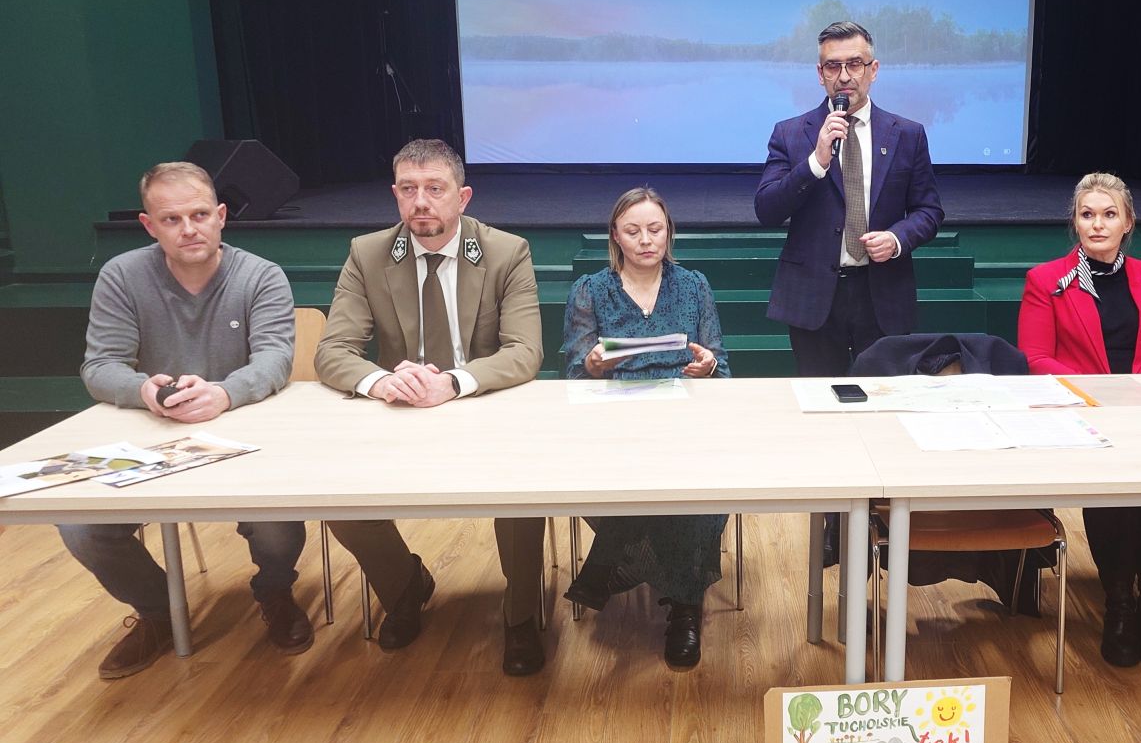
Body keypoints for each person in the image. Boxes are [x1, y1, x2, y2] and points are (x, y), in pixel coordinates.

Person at [63, 161, 310, 679]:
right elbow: (100, 365)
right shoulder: (122, 276)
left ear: (221, 216)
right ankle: (159, 611)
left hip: (244, 433)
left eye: (199, 215)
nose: (189, 229)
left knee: (278, 522)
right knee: (79, 524)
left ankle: (274, 592)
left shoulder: (260, 275)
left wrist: (223, 393)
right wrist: (145, 391)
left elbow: (274, 360)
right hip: (150, 437)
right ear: (149, 225)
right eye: (171, 219)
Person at [315, 139, 547, 676]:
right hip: (401, 411)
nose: (421, 201)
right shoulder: (368, 254)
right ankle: (404, 587)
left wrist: (454, 383)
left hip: (480, 405)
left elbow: (524, 351)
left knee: (524, 490)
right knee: (335, 495)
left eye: (435, 189)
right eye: (408, 189)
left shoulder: (506, 252)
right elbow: (332, 351)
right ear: (395, 194)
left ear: (462, 197)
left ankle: (520, 615)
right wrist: (380, 382)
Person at [1017, 173, 1141, 668]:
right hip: (1081, 414)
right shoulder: (1046, 279)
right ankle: (1118, 604)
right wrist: (1102, 396)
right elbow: (1035, 358)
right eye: (1087, 214)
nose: (1097, 224)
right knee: (1112, 489)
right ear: (1075, 222)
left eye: (1109, 214)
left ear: (1127, 222)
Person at [561, 188, 730, 668]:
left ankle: (664, 596)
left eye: (655, 229)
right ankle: (680, 594)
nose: (645, 240)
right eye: (632, 231)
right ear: (615, 236)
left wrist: (708, 367)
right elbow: (572, 374)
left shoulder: (693, 286)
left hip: (685, 419)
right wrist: (593, 364)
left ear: (668, 231)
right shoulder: (591, 290)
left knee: (693, 481)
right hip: (616, 424)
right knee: (645, 479)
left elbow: (722, 365)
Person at [755, 20, 944, 378]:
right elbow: (766, 209)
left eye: (854, 64)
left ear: (873, 70)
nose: (844, 76)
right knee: (819, 400)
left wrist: (897, 239)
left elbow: (929, 211)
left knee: (885, 397)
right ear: (820, 74)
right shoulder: (791, 133)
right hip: (813, 297)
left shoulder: (908, 134)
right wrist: (816, 162)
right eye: (833, 66)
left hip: (883, 292)